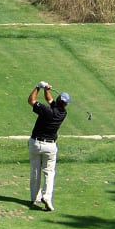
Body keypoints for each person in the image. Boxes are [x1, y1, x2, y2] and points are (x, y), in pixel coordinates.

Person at [28, 81, 69, 211]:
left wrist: (38, 87)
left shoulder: (45, 110)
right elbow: (50, 100)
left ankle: (35, 198)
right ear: (65, 104)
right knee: (49, 172)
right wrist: (47, 89)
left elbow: (31, 100)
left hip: (36, 143)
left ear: (57, 100)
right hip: (50, 146)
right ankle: (47, 197)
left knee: (35, 171)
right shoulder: (63, 113)